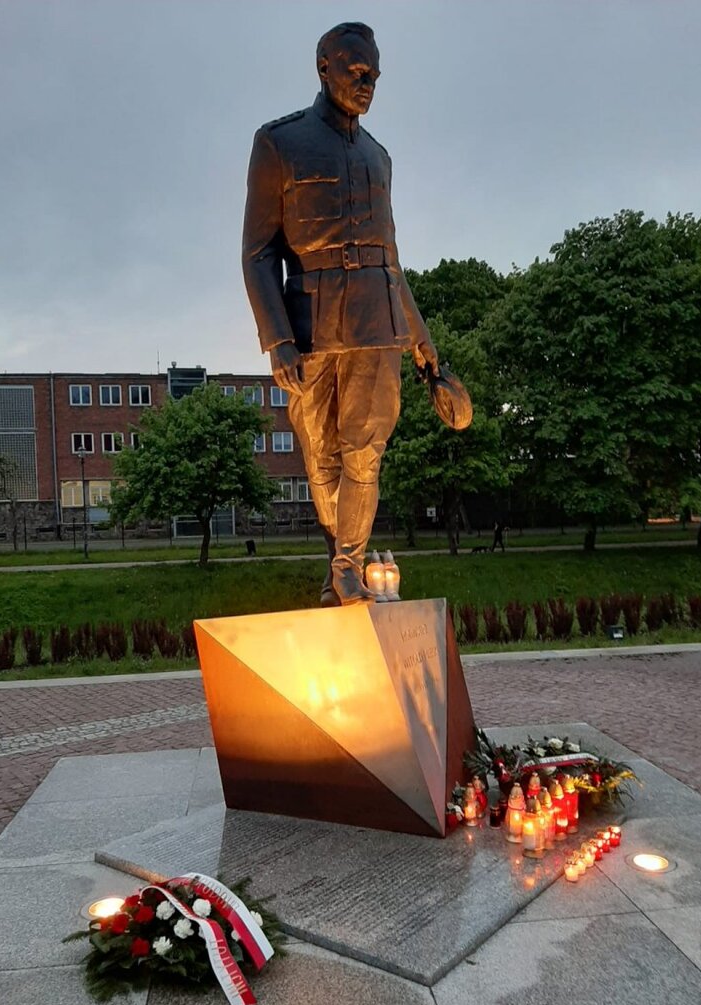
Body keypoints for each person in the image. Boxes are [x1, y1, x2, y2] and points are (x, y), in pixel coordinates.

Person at [242, 22, 439, 606]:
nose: (366, 82)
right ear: (323, 67)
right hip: (311, 329)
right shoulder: (279, 142)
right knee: (320, 458)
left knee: (366, 450)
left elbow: (393, 261)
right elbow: (258, 253)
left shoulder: (380, 157)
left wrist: (424, 346)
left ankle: (349, 566)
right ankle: (339, 560)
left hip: (379, 325)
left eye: (374, 74)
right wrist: (277, 339)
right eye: (356, 70)